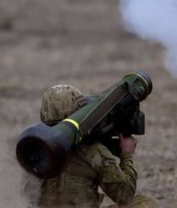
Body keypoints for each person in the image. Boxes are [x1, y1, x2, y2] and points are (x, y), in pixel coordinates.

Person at [21, 84, 157, 208]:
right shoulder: (93, 152)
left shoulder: (35, 150)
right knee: (145, 204)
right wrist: (126, 155)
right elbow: (124, 196)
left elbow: (28, 196)